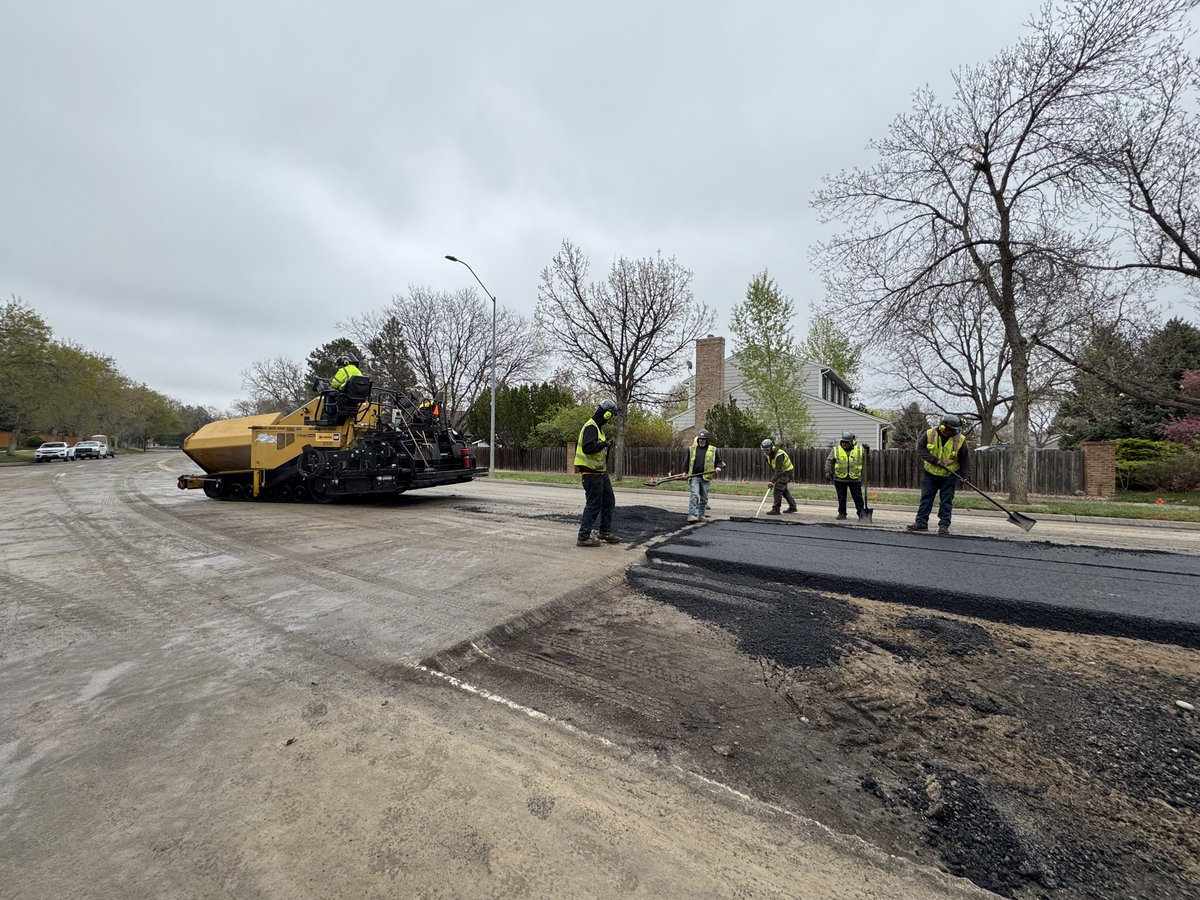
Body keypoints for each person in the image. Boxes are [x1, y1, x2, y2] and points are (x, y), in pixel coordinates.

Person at [907, 414, 971, 535]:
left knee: (946, 500)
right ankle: (921, 523)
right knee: (926, 498)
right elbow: (920, 449)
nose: (952, 431)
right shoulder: (930, 434)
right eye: (950, 429)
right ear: (943, 426)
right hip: (930, 473)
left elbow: (965, 459)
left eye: (954, 430)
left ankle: (944, 525)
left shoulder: (960, 439)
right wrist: (934, 460)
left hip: (949, 475)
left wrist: (965, 475)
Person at [575, 399, 621, 547]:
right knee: (594, 504)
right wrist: (604, 444)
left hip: (600, 472)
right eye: (610, 417)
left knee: (609, 501)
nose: (609, 420)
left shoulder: (598, 429)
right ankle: (583, 537)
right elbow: (588, 448)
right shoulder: (591, 427)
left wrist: (604, 444)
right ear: (606, 414)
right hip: (590, 473)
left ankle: (604, 532)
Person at [682, 429, 724, 523]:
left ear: (707, 440)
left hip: (706, 477)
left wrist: (718, 467)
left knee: (704, 498)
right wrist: (685, 472)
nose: (701, 441)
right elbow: (686, 462)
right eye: (700, 439)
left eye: (704, 439)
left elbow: (719, 461)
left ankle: (701, 515)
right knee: (694, 495)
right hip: (694, 477)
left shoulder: (713, 450)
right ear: (698, 439)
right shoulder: (692, 449)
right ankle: (691, 515)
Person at [824, 431, 868, 520]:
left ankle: (861, 514)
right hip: (840, 479)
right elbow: (829, 461)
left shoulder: (859, 450)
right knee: (841, 497)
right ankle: (842, 513)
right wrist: (828, 472)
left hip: (855, 479)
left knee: (858, 498)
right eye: (843, 442)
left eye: (846, 442)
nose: (844, 444)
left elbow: (868, 459)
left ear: (852, 442)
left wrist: (868, 451)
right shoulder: (836, 450)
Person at [760, 438, 797, 515]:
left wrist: (772, 481)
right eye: (764, 450)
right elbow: (773, 467)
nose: (765, 452)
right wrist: (775, 478)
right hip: (780, 472)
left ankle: (776, 509)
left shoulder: (779, 455)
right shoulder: (766, 455)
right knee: (783, 491)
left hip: (787, 471)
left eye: (767, 450)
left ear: (771, 447)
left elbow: (779, 470)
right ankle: (793, 507)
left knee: (777, 488)